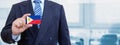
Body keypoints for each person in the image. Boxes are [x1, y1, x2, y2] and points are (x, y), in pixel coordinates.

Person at [1, 0, 71, 45]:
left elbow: (65, 40)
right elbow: (4, 35)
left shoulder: (58, 8)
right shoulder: (17, 7)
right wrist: (14, 33)